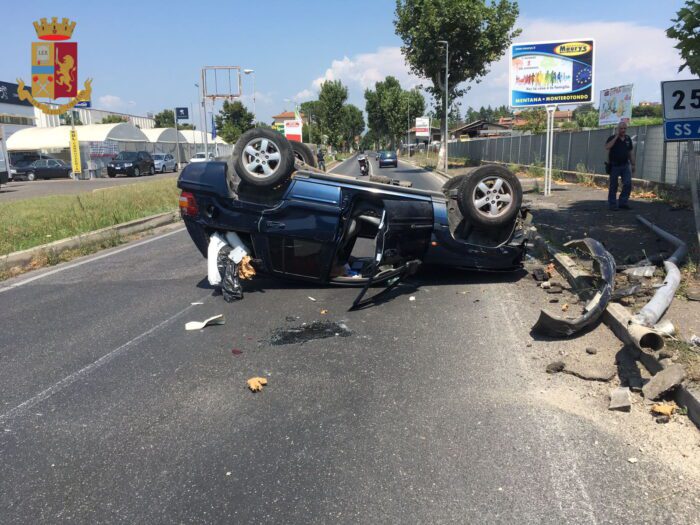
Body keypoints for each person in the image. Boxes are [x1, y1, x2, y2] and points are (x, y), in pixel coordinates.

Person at [604, 122, 636, 210]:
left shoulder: (628, 139)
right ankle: (612, 204)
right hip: (614, 165)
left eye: (624, 129)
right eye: (621, 129)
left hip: (625, 165)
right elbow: (607, 147)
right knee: (613, 185)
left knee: (627, 183)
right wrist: (616, 137)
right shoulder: (612, 138)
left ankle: (623, 202)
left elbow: (630, 152)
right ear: (618, 129)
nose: (623, 130)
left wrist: (633, 164)